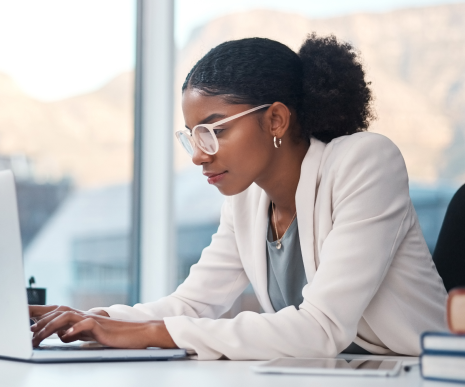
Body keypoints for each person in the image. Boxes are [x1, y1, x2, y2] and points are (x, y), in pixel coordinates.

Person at [29, 34, 447, 360]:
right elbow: (193, 303)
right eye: (192, 136)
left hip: (419, 379)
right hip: (330, 378)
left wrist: (150, 333)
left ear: (276, 119)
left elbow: (322, 328)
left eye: (215, 130)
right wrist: (93, 320)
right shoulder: (246, 199)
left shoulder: (366, 162)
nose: (197, 154)